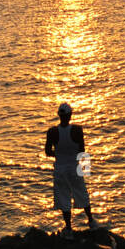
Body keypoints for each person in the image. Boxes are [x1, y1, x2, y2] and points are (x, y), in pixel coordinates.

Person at [44, 102, 98, 238]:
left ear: (58, 115)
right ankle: (91, 222)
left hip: (60, 169)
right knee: (82, 194)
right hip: (75, 168)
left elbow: (47, 152)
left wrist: (59, 154)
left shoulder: (52, 132)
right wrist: (86, 171)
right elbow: (82, 151)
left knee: (64, 198)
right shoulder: (77, 130)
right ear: (70, 115)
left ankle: (68, 229)